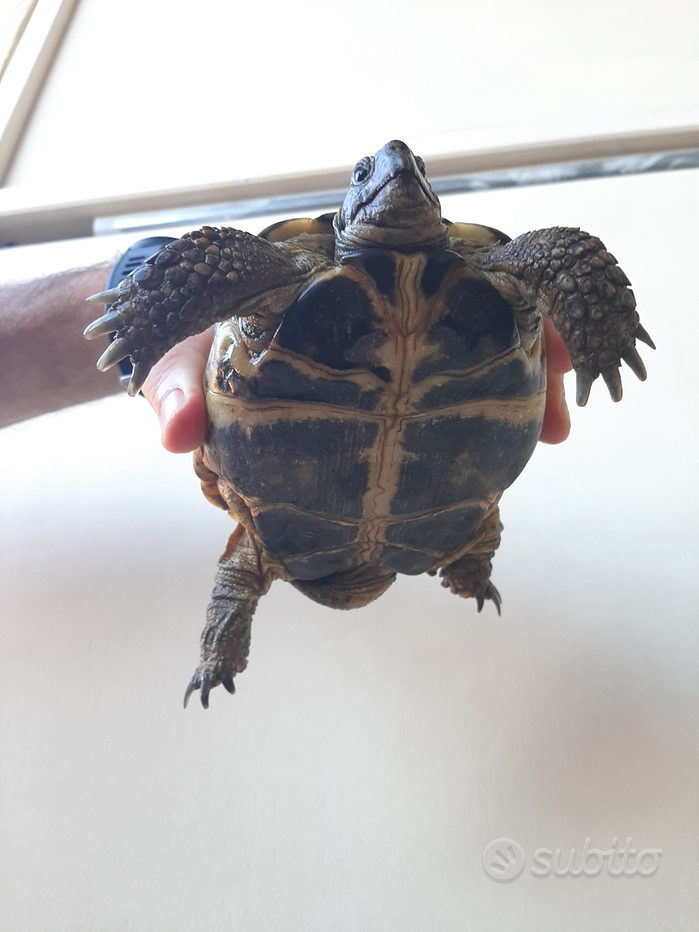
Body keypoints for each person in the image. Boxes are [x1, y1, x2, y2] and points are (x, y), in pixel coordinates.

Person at [0, 262, 572, 447]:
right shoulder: (283, 269)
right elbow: (559, 258)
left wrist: (139, 272)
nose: (398, 169)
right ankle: (472, 552)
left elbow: (559, 261)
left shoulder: (280, 274)